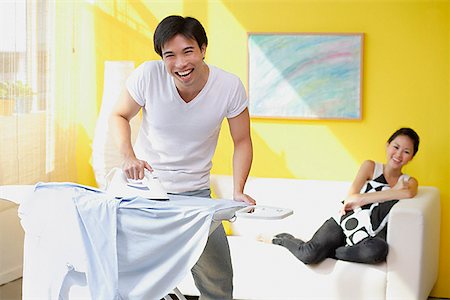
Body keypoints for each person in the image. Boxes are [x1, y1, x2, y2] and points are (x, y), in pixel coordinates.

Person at [110, 15, 255, 299]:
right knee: (133, 279)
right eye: (170, 55)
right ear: (162, 58)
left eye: (188, 51)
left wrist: (238, 189)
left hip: (196, 197)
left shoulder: (228, 86)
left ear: (203, 49)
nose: (180, 63)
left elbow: (242, 140)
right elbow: (118, 115)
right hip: (147, 194)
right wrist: (129, 156)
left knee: (218, 282)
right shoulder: (147, 76)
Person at [259, 127, 420, 265]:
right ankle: (282, 239)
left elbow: (407, 192)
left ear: (412, 157)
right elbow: (351, 198)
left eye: (406, 151)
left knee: (378, 251)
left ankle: (329, 252)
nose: (398, 154)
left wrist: (362, 198)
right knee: (309, 255)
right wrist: (390, 193)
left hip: (366, 235)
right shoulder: (371, 167)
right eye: (396, 147)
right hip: (344, 220)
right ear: (387, 146)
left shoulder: (408, 182)